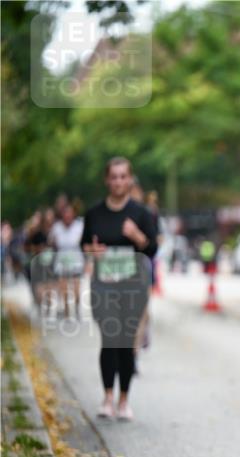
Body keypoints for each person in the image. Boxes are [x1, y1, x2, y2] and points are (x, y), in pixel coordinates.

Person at [81, 157, 158, 421]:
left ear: (130, 179)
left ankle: (124, 400)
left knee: (125, 343)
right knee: (109, 339)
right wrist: (91, 251)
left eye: (123, 176)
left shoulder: (141, 214)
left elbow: (152, 250)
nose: (118, 181)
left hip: (132, 286)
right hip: (103, 285)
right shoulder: (94, 214)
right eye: (113, 177)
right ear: (107, 180)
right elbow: (84, 245)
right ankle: (107, 398)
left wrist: (137, 236)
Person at [50, 203, 85, 318]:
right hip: (62, 259)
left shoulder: (79, 225)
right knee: (64, 288)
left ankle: (77, 308)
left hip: (76, 258)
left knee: (76, 288)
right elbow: (51, 243)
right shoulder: (56, 227)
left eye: (70, 213)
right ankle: (66, 312)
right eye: (65, 213)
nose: (67, 215)